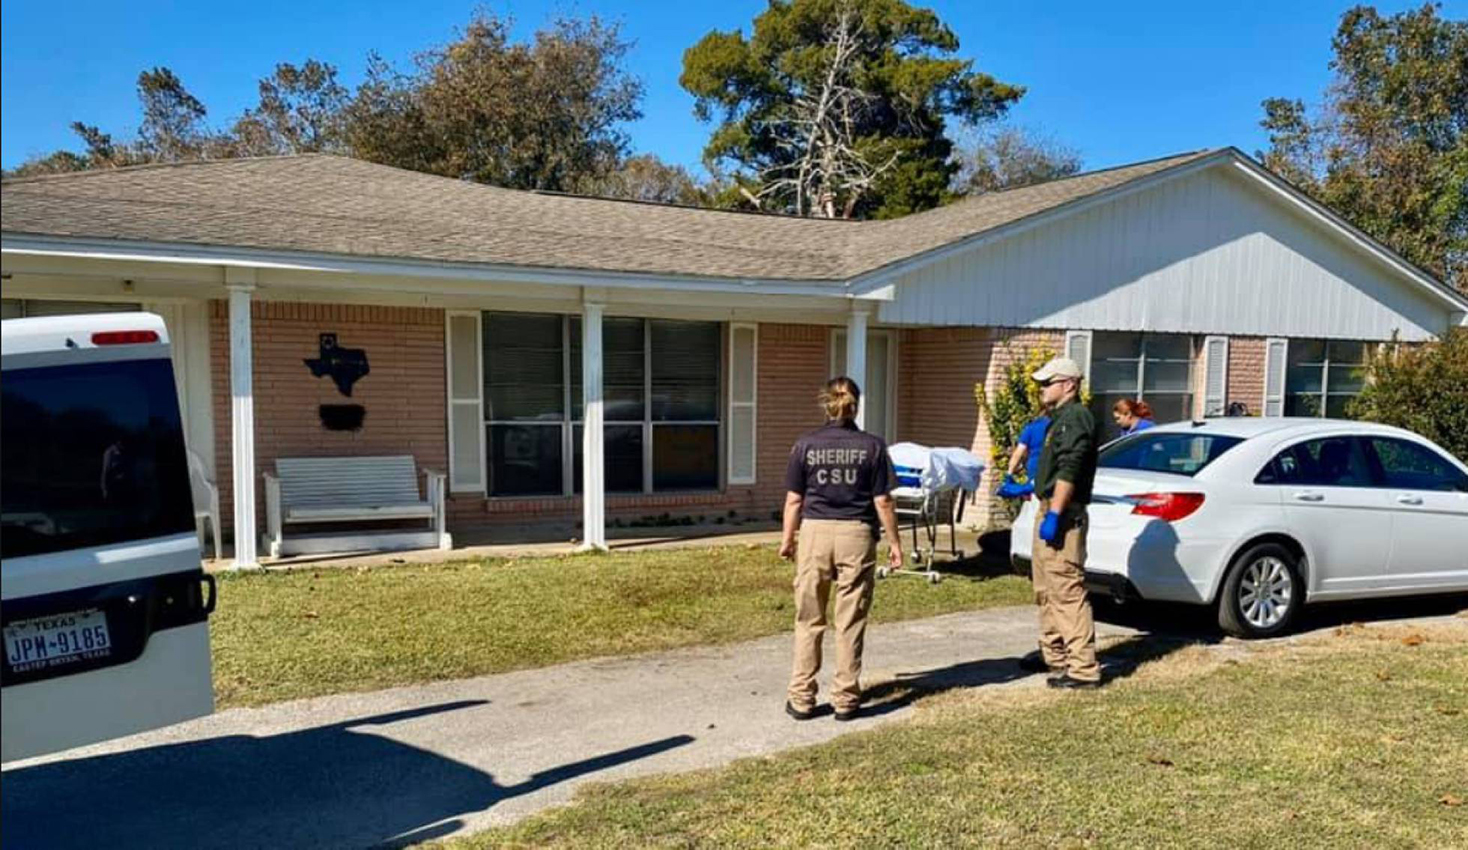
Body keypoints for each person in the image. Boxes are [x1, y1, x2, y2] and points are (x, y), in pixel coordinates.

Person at [779, 376, 905, 721]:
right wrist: (895, 542)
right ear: (856, 405)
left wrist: (788, 539)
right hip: (856, 534)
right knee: (849, 620)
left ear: (825, 404)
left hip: (814, 533)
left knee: (809, 619)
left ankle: (802, 697)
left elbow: (794, 500)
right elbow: (883, 501)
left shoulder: (805, 445)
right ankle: (846, 698)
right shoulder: (873, 446)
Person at [1029, 357, 1103, 689]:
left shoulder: (1076, 418)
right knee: (1045, 587)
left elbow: (1069, 469)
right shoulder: (1055, 420)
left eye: (1048, 383)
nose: (1042, 389)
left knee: (1066, 588)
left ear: (1069, 385)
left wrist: (1056, 513)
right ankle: (1054, 653)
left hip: (1064, 513)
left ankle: (1083, 668)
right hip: (1047, 506)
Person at [995, 409, 1050, 500]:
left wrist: (1009, 475)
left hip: (1035, 471)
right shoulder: (1060, 427)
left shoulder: (1031, 428)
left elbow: (1018, 454)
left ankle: (1015, 490)